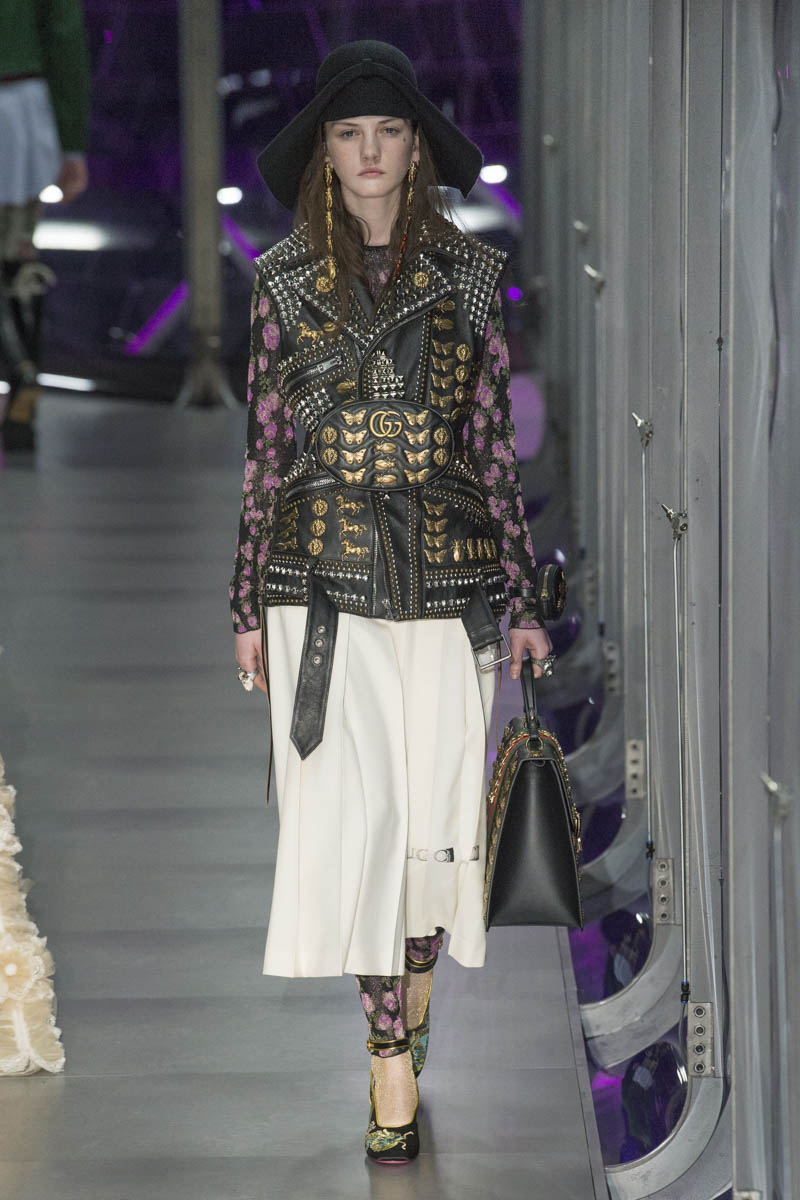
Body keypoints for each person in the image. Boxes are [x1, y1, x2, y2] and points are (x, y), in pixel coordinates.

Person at [229, 40, 553, 1164]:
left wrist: (522, 599)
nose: (369, 151)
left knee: (431, 832)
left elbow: (492, 445)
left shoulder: (469, 274)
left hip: (448, 580)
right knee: (355, 828)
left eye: (388, 131)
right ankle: (384, 1054)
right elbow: (264, 452)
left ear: (417, 147)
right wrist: (244, 606)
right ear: (323, 152)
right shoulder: (280, 280)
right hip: (320, 582)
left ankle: (412, 998)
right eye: (348, 133)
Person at [0, 0, 90, 453]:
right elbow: (64, 36)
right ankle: (25, 381)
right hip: (17, 106)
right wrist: (71, 143)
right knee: (16, 256)